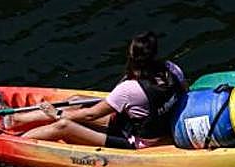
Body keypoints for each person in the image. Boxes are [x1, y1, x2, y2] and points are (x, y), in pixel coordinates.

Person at [14, 32, 186, 149]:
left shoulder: (129, 89)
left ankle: (16, 142)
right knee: (76, 100)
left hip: (137, 141)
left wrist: (57, 114)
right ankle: (16, 119)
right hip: (150, 126)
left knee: (63, 125)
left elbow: (91, 115)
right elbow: (183, 92)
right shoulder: (171, 69)